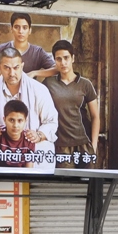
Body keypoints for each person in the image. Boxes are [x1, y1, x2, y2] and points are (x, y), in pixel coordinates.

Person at [0, 46, 58, 169]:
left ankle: (37, 186)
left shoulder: (38, 89)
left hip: (28, 143)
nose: (12, 73)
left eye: (16, 68)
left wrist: (39, 135)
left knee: (46, 148)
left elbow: (51, 121)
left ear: (22, 66)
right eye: (7, 68)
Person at [43, 39, 100, 168]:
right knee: (66, 184)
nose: (63, 62)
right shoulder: (49, 83)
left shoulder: (85, 84)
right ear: (55, 61)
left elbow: (95, 116)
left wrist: (94, 146)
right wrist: (35, 73)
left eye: (66, 58)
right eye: (58, 59)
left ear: (73, 58)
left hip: (84, 143)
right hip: (61, 145)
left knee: (87, 183)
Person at [0, 12, 57, 79]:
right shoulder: (0, 49)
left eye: (25, 27)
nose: (20, 31)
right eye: (17, 27)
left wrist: (34, 73)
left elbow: (56, 68)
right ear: (11, 29)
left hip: (29, 90)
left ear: (30, 30)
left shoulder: (37, 52)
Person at [0, 100, 36, 168]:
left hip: (19, 177)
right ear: (4, 119)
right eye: (11, 120)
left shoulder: (29, 138)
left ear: (25, 121)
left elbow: (28, 172)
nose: (15, 125)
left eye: (20, 121)